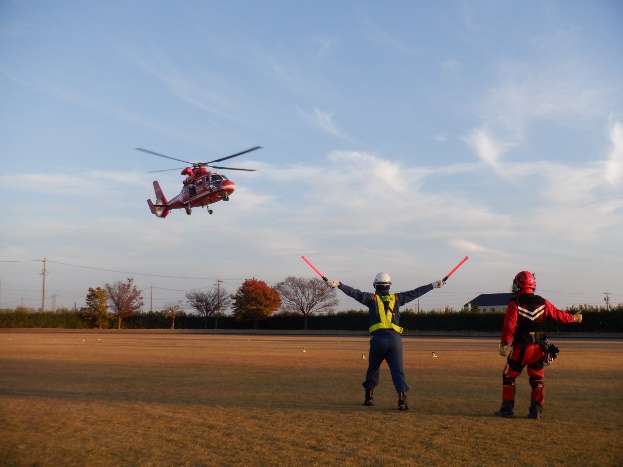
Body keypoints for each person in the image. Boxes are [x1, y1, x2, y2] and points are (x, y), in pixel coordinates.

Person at [326, 272, 445, 410]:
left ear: (375, 286)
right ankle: (402, 400)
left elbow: (354, 293)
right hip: (395, 340)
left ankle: (369, 398)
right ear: (389, 285)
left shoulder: (371, 298)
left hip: (378, 340)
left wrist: (339, 285)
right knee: (398, 371)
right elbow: (416, 292)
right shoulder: (397, 298)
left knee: (373, 369)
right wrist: (433, 285)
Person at [496, 271, 582, 420]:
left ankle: (507, 409)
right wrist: (573, 318)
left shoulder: (514, 303)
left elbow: (509, 326)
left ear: (521, 284)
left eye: (516, 283)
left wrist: (504, 342)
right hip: (539, 347)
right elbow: (559, 315)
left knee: (508, 376)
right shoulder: (543, 302)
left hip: (521, 347)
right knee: (536, 379)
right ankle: (536, 410)